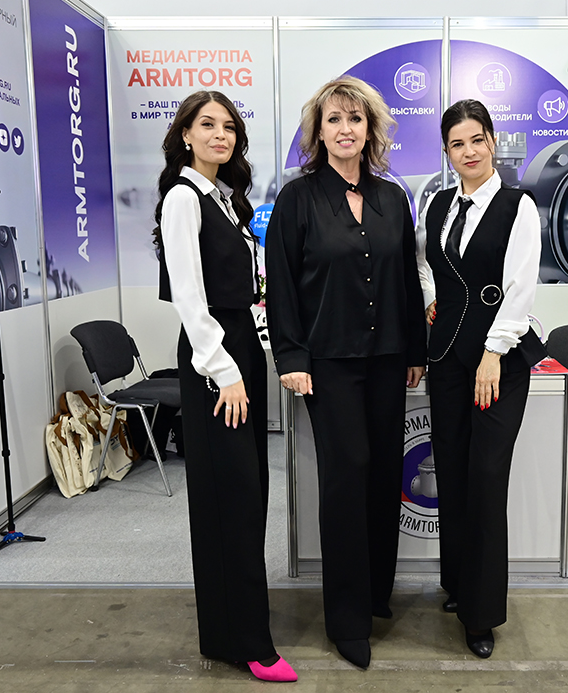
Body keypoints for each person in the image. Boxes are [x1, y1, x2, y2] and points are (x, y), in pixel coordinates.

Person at [266, 76, 427, 670]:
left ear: (371, 128)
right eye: (333, 119)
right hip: (328, 364)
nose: (344, 129)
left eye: (354, 118)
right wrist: (291, 357)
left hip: (388, 359)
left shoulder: (392, 198)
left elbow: (406, 281)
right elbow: (281, 284)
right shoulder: (297, 199)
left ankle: (376, 594)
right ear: (318, 131)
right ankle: (347, 617)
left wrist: (415, 350)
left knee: (384, 473)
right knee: (346, 476)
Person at [153, 90, 296, 683]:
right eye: (207, 124)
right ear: (185, 134)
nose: (220, 135)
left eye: (229, 126)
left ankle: (229, 627)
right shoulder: (183, 198)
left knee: (244, 495)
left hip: (239, 348)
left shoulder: (228, 198)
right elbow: (190, 298)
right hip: (216, 360)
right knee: (230, 500)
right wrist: (226, 371)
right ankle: (249, 643)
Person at [416, 99, 545, 659]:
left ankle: (482, 613)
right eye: (456, 144)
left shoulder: (519, 206)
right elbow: (425, 263)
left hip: (499, 363)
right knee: (451, 472)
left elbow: (519, 287)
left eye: (476, 140)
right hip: (447, 357)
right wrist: (431, 299)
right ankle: (458, 585)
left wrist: (493, 353)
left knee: (486, 480)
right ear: (447, 152)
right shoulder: (439, 205)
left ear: (492, 141)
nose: (468, 152)